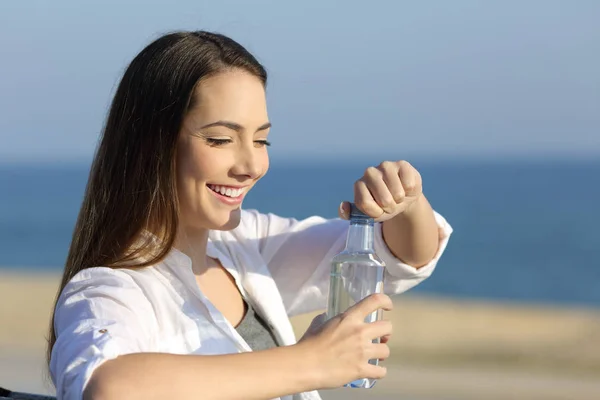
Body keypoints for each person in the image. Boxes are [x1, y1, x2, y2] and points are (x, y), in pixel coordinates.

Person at [47, 30, 453, 400]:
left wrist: (406, 203)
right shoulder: (108, 290)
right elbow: (109, 390)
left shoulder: (246, 245)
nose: (251, 165)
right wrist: (312, 362)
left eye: (261, 140)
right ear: (150, 144)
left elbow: (401, 256)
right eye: (221, 139)